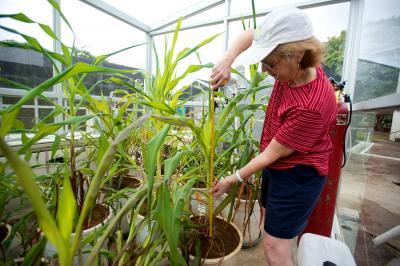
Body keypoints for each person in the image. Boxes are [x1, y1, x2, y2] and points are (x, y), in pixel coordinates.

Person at [210, 7, 337, 266]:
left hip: (298, 174)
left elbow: (272, 154)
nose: (264, 69)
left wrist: (231, 179)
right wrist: (227, 60)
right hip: (277, 165)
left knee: (274, 247)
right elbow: (250, 35)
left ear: (298, 54)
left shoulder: (311, 104)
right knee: (270, 220)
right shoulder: (296, 63)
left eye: (270, 63)